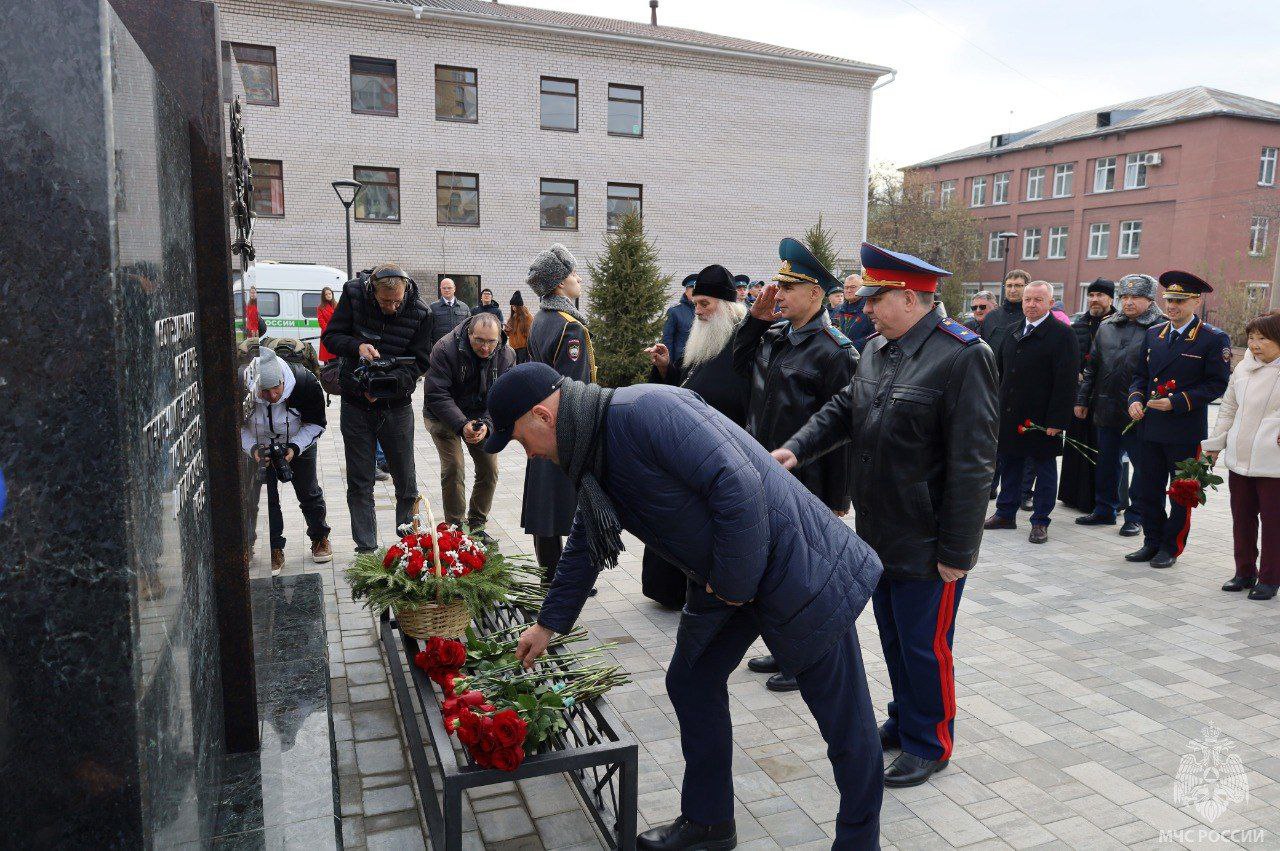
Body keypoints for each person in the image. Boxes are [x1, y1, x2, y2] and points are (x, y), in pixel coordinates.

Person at [487, 363, 885, 850]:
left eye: (518, 438)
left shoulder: (642, 412)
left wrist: (732, 587)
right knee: (692, 680)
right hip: (732, 576)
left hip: (797, 569)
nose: (526, 452)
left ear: (542, 416)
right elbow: (589, 538)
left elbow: (739, 488)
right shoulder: (592, 447)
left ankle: (859, 842)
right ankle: (709, 823)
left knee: (844, 723)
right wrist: (548, 624)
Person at [774, 241, 997, 789]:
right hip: (879, 530)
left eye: (877, 298)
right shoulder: (877, 348)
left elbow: (974, 463)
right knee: (895, 639)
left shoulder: (964, 355)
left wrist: (957, 552)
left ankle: (931, 742)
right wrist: (795, 449)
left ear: (911, 298)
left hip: (928, 538)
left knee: (926, 645)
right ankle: (905, 721)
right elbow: (843, 410)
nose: (866, 307)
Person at [733, 238, 856, 692]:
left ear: (816, 294)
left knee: (807, 575)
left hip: (809, 482)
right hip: (765, 472)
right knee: (776, 570)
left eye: (789, 287)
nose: (778, 293)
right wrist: (754, 320)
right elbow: (737, 365)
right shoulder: (773, 335)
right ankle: (786, 647)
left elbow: (844, 429)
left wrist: (838, 498)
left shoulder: (836, 351)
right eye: (778, 284)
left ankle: (805, 660)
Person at [642, 264, 750, 609]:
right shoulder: (705, 333)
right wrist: (665, 368)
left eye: (705, 304)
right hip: (688, 451)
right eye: (696, 303)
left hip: (721, 455)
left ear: (726, 305)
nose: (698, 311)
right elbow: (689, 385)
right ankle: (668, 590)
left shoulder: (742, 341)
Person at [321, 263, 431, 552]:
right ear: (372, 290)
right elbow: (330, 338)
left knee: (406, 480)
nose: (392, 308)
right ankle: (366, 548)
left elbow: (421, 362)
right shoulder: (353, 294)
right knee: (360, 481)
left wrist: (392, 382)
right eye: (385, 301)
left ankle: (408, 546)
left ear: (406, 292)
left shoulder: (421, 312)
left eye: (397, 301)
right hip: (356, 403)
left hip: (396, 407)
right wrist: (357, 346)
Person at [1125, 271, 1231, 569]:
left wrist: (1176, 401)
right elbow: (1139, 376)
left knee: (1181, 491)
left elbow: (1216, 385)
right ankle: (1151, 541)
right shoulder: (1153, 333)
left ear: (1195, 302)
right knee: (1148, 488)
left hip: (1182, 429)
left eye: (1180, 301)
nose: (1172, 306)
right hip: (1149, 427)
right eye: (1169, 299)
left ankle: (1171, 546)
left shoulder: (1212, 338)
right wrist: (1134, 399)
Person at [983, 281, 1079, 543]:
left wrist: (1057, 420)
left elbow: (1066, 380)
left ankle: (1040, 521)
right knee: (1009, 463)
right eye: (1027, 300)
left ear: (1050, 303)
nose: (1031, 304)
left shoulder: (1062, 334)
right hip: (1011, 413)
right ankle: (1005, 513)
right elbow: (1001, 372)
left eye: (1038, 300)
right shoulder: (1013, 330)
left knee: (1044, 468)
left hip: (1042, 417)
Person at [522, 244, 596, 583]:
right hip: (565, 427)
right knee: (576, 503)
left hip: (540, 421)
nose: (578, 278)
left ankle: (550, 573)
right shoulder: (570, 327)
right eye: (572, 274)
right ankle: (569, 578)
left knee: (545, 501)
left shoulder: (540, 320)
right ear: (558, 285)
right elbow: (574, 387)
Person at [1074, 275, 1164, 535]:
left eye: (1135, 297)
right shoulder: (1107, 326)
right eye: (1125, 297)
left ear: (1149, 299)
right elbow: (1092, 367)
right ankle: (1104, 509)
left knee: (1142, 466)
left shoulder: (1160, 328)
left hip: (1139, 412)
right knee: (1106, 462)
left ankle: (1136, 515)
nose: (1129, 302)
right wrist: (1082, 399)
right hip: (1106, 406)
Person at [1205, 311, 1280, 600]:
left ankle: (1270, 577)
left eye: (1263, 338)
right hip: (1240, 456)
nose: (1255, 344)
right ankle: (1244, 571)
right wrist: (1215, 444)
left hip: (1273, 461)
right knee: (1242, 518)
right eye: (1251, 338)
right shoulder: (1242, 369)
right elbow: (1227, 409)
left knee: (1274, 523)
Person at [424, 311, 515, 541]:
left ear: (500, 337)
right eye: (479, 340)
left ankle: (476, 525)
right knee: (454, 466)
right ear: (469, 333)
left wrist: (487, 424)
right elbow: (436, 394)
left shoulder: (506, 355)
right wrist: (461, 424)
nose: (485, 348)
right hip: (443, 414)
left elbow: (505, 397)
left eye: (491, 341)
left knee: (489, 468)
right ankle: (454, 528)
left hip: (481, 415)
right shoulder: (445, 349)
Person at [241, 347, 331, 574]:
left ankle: (319, 537)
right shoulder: (239, 386)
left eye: (276, 389)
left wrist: (294, 448)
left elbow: (316, 423)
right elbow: (236, 426)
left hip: (298, 440)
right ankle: (271, 548)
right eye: (264, 392)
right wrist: (253, 449)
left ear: (283, 379)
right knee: (258, 498)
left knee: (308, 491)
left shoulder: (305, 383)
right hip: (258, 445)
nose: (272, 397)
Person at [1059, 278, 1115, 513]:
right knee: (1077, 445)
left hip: (1107, 398)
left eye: (1099, 295)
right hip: (1080, 396)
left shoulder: (1118, 325)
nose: (1094, 299)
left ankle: (1101, 501)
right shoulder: (1078, 326)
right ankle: (1074, 496)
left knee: (1104, 450)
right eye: (1091, 295)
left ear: (1111, 299)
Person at [831, 273, 876, 352]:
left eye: (853, 287)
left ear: (862, 288)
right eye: (846, 287)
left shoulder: (870, 309)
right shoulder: (838, 309)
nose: (849, 290)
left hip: (862, 357)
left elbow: (875, 335)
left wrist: (850, 347)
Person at [662, 275, 697, 366]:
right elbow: (667, 340)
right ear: (686, 290)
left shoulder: (704, 311)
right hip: (680, 362)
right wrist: (669, 365)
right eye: (693, 289)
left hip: (698, 362)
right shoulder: (675, 311)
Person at [428, 277, 472, 349]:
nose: (446, 290)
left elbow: (469, 330)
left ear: (454, 289)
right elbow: (428, 332)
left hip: (460, 349)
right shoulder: (433, 308)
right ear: (440, 289)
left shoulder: (464, 307)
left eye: (449, 288)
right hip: (440, 349)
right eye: (444, 288)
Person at [505, 290, 533, 364]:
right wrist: (507, 330)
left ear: (519, 306)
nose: (513, 308)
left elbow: (530, 334)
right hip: (513, 348)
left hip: (523, 349)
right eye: (512, 306)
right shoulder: (512, 318)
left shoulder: (528, 318)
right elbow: (508, 333)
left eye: (515, 306)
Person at [316, 286, 338, 364]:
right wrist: (330, 330)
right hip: (327, 334)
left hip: (337, 333)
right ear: (324, 296)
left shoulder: (337, 305)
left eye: (330, 293)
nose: (329, 295)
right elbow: (321, 321)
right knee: (328, 358)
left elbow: (340, 318)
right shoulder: (320, 307)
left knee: (337, 356)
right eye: (326, 294)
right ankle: (328, 375)